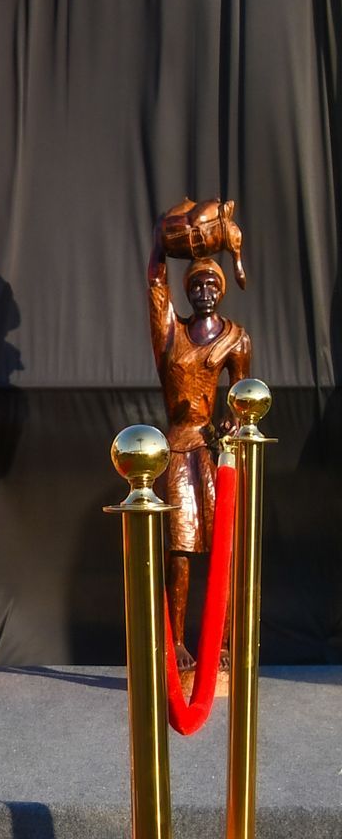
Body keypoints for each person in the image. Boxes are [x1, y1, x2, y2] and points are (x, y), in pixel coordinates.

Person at [147, 218, 250, 669]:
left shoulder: (235, 338)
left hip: (213, 451)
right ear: (187, 291)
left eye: (211, 284)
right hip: (177, 448)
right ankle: (177, 641)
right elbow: (155, 283)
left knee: (225, 545)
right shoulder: (171, 333)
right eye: (196, 284)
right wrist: (160, 243)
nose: (204, 291)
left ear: (221, 290)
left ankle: (221, 641)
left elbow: (242, 397)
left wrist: (231, 418)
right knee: (181, 550)